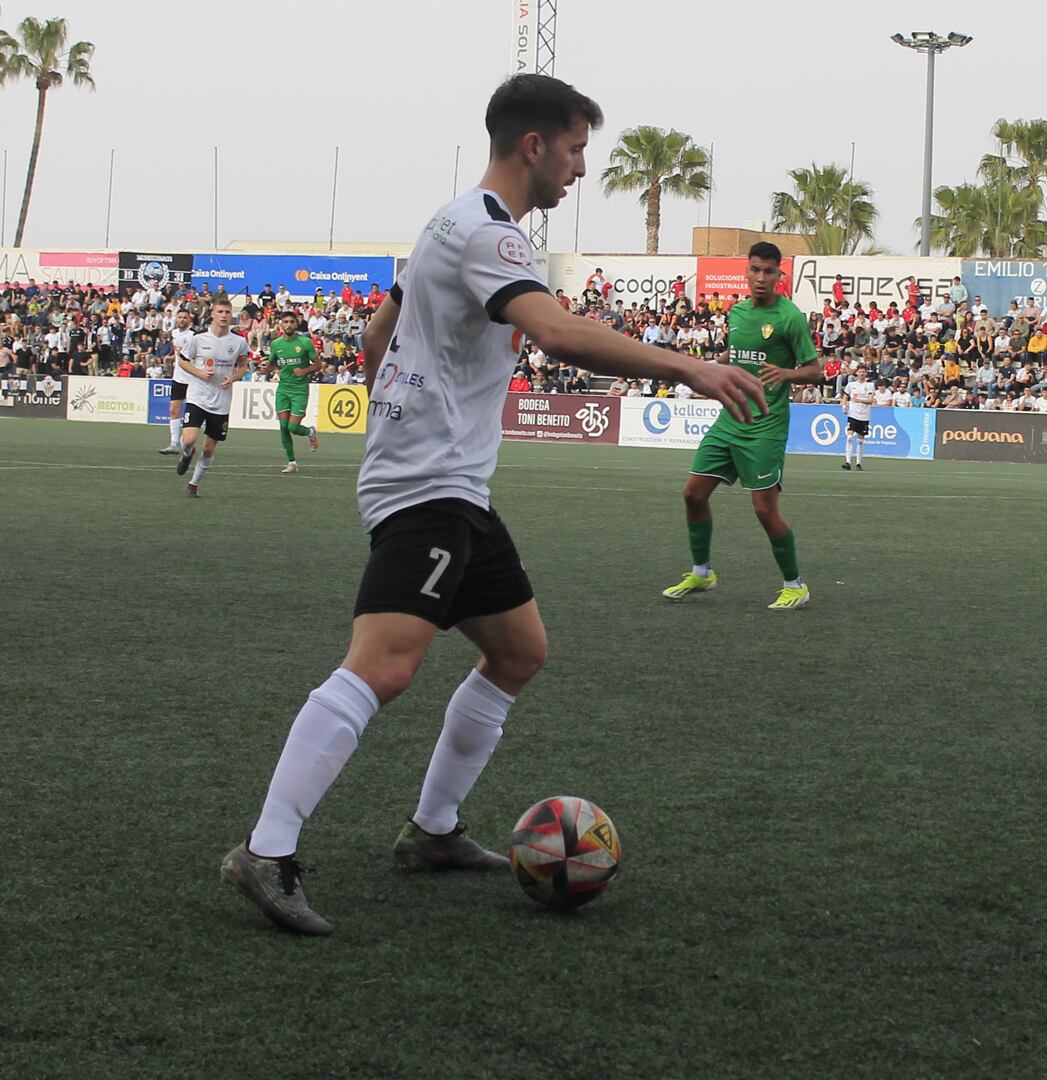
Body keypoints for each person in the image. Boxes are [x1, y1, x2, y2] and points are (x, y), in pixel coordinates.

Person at [220, 74, 765, 937]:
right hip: (428, 485)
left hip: (449, 482)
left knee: (519, 652)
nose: (583, 169)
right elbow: (553, 332)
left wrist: (404, 410)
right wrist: (687, 366)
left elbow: (376, 338)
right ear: (535, 145)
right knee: (386, 664)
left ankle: (433, 832)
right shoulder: (490, 235)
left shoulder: (448, 219)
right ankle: (266, 847)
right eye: (579, 148)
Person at [664, 241, 823, 611]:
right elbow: (735, 355)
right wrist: (704, 369)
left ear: (779, 276)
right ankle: (702, 572)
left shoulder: (790, 318)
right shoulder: (736, 313)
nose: (761, 278)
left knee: (765, 510)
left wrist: (786, 373)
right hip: (729, 420)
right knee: (692, 494)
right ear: (746, 272)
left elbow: (814, 370)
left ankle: (795, 584)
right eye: (755, 270)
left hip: (765, 426)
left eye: (769, 272)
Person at [173, 298, 248, 497]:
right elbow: (183, 362)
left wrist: (232, 378)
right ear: (212, 314)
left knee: (208, 448)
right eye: (220, 312)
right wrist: (198, 373)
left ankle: (193, 485)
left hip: (221, 401)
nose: (224, 316)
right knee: (189, 440)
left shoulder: (239, 341)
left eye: (227, 312)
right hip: (198, 396)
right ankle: (186, 454)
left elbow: (244, 367)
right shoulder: (198, 339)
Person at [269, 311, 324, 473]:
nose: (288, 325)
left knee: (293, 427)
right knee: (283, 427)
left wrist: (306, 370)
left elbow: (318, 364)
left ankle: (310, 432)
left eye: (292, 322)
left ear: (296, 324)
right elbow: (272, 363)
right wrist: (268, 368)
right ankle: (292, 462)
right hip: (283, 389)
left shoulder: (305, 342)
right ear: (281, 324)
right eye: (285, 322)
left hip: (300, 390)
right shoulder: (276, 344)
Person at [159, 310, 196, 454]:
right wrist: (171, 358)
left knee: (191, 413)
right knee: (173, 410)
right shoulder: (174, 333)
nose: (181, 320)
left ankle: (185, 441)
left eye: (184, 318)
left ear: (189, 320)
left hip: (193, 378)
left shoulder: (193, 335)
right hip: (178, 378)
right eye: (180, 317)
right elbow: (178, 355)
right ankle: (174, 443)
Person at [841, 364, 874, 471]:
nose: (862, 373)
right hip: (853, 414)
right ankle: (847, 462)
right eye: (860, 371)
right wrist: (844, 406)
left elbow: (870, 400)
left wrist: (859, 400)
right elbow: (845, 396)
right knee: (850, 437)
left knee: (860, 441)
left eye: (863, 372)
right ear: (857, 373)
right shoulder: (851, 385)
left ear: (866, 373)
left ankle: (858, 463)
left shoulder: (870, 385)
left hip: (864, 415)